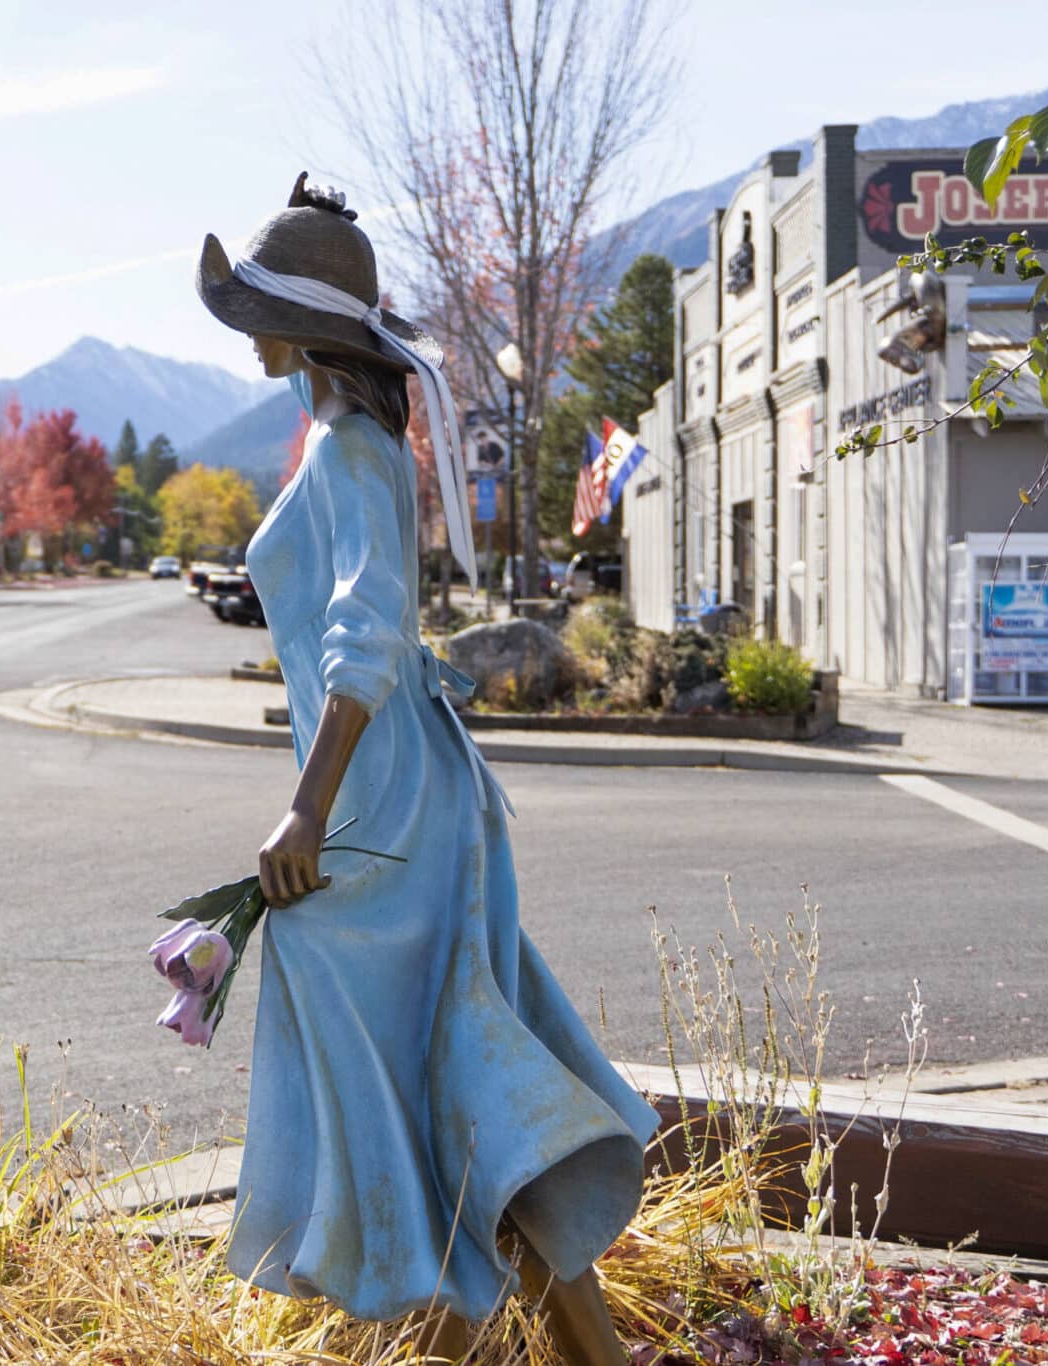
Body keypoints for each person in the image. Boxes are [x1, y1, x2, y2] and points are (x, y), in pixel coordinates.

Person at [194, 174, 660, 1365]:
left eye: (255, 311)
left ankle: (453, 1319)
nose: (244, 333)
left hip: (377, 802)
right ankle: (580, 1352)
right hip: (398, 788)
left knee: (411, 1064)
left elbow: (361, 635)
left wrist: (305, 806)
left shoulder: (354, 449)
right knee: (448, 1073)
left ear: (300, 326)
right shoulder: (339, 440)